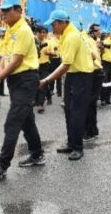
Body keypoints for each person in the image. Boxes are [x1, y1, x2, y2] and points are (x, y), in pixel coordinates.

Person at [0, 0, 44, 177]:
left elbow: (17, 60)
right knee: (26, 120)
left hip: (26, 79)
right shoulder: (10, 30)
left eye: (7, 10)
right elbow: (7, 57)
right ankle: (37, 154)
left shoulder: (24, 30)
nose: (3, 13)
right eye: (2, 10)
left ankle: (2, 164)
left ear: (19, 10)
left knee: (12, 122)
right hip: (15, 80)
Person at [39, 9, 94, 161]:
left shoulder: (71, 36)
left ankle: (78, 147)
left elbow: (65, 65)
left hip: (81, 76)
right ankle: (71, 143)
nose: (52, 27)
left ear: (63, 23)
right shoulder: (66, 35)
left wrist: (46, 80)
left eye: (54, 24)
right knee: (69, 110)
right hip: (73, 75)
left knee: (77, 113)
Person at [84, 23, 104, 141]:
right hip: (92, 72)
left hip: (95, 73)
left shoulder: (92, 41)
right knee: (90, 104)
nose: (98, 32)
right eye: (96, 31)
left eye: (99, 30)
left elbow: (92, 56)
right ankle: (93, 130)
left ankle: (90, 131)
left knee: (90, 103)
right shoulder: (89, 40)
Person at [34, 25, 54, 113]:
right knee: (37, 84)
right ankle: (48, 96)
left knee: (42, 83)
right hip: (35, 66)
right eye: (41, 32)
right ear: (37, 33)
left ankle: (40, 104)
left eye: (44, 32)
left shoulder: (48, 42)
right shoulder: (33, 41)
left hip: (45, 65)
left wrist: (49, 53)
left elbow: (53, 52)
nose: (43, 34)